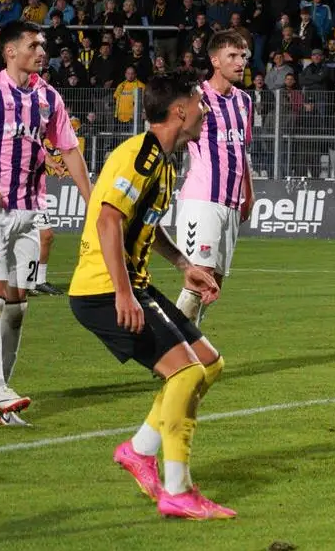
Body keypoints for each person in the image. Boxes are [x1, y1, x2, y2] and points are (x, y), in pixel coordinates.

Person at [68, 72, 236, 519]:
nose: (204, 111)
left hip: (132, 283)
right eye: (199, 104)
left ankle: (140, 450)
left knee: (210, 365)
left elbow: (144, 223)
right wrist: (123, 294)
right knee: (183, 374)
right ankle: (178, 490)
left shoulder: (164, 162)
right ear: (179, 111)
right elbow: (107, 221)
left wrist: (185, 266)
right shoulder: (140, 154)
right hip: (103, 290)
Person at [0, 21, 93, 423]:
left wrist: (93, 201)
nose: (42, 50)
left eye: (43, 44)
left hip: (31, 212)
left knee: (16, 308)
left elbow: (69, 150)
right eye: (33, 44)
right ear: (10, 51)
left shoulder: (48, 97)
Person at [174, 31, 254, 325]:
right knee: (199, 279)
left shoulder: (244, 101)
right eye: (233, 56)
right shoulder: (197, 97)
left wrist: (250, 193)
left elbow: (242, 150)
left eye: (243, 56)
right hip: (202, 199)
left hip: (232, 202)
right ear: (215, 60)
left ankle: (188, 339)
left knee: (215, 283)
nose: (240, 62)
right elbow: (173, 139)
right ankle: (176, 348)